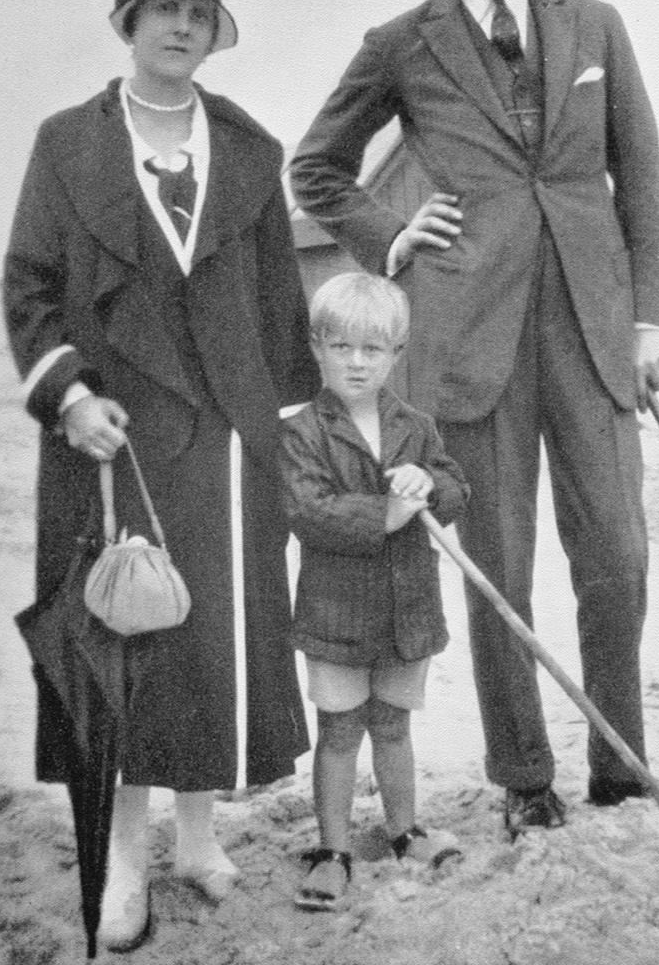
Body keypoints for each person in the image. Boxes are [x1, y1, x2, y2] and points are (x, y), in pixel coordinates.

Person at [289, 0, 659, 838]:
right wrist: (388, 236)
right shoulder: (401, 43)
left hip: (593, 337)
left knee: (618, 557)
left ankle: (622, 761)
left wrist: (648, 321)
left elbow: (637, 177)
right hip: (469, 342)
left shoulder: (595, 24)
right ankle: (524, 777)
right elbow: (315, 166)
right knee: (499, 567)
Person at [3, 0, 319, 950]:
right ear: (129, 23)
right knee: (123, 640)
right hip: (114, 434)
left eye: (199, 13)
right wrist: (69, 397)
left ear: (212, 35)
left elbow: (278, 307)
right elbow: (30, 287)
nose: (180, 27)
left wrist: (282, 422)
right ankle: (126, 860)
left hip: (225, 440)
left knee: (213, 637)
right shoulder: (67, 146)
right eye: (162, 9)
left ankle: (196, 839)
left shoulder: (251, 151)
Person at [279, 272, 470, 910]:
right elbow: (307, 510)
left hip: (406, 611)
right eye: (342, 348)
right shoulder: (304, 430)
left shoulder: (414, 425)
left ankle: (403, 829)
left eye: (373, 350)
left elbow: (453, 488)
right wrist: (382, 514)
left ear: (397, 353)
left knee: (392, 725)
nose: (357, 363)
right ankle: (333, 850)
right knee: (339, 731)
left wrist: (428, 482)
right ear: (316, 346)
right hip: (337, 613)